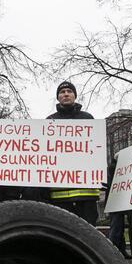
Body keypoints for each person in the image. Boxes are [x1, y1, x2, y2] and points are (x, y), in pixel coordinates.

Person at [45, 81, 100, 225]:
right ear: (58, 97)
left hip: (86, 193)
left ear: (75, 95)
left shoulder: (87, 118)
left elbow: (96, 149)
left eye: (69, 91)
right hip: (59, 193)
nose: (66, 94)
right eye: (62, 92)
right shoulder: (49, 121)